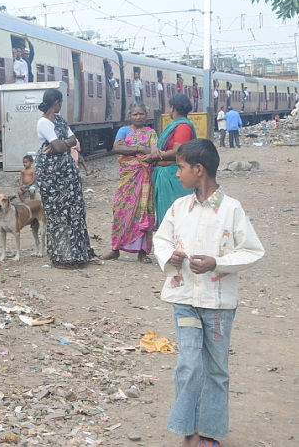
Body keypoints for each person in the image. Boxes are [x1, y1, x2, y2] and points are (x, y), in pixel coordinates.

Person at [154, 139, 264, 447]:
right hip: (184, 300)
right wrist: (170, 256)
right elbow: (161, 240)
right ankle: (188, 429)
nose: (177, 174)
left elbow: (253, 251)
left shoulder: (231, 209)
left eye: (181, 167)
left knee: (216, 369)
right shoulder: (179, 208)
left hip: (218, 305)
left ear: (199, 169)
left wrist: (218, 262)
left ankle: (208, 432)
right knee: (189, 364)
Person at [35, 88, 98, 267]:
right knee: (58, 213)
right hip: (52, 175)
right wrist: (63, 144)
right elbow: (61, 146)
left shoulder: (59, 120)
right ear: (57, 102)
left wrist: (61, 143)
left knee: (74, 210)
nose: (61, 105)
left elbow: (72, 141)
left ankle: (78, 254)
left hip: (67, 172)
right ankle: (62, 256)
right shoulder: (43, 122)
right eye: (61, 102)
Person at [103, 102, 157, 262]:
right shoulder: (124, 130)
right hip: (127, 178)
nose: (138, 117)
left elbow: (154, 151)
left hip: (144, 179)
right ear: (129, 116)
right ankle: (115, 249)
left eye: (141, 114)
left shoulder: (151, 133)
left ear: (146, 115)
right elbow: (117, 148)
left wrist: (131, 149)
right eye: (135, 114)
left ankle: (142, 252)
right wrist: (140, 149)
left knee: (143, 211)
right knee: (121, 210)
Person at [151, 94, 195, 224]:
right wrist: (155, 150)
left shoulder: (183, 126)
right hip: (168, 174)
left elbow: (178, 152)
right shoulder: (176, 125)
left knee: (176, 217)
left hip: (173, 175)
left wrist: (155, 155)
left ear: (172, 108)